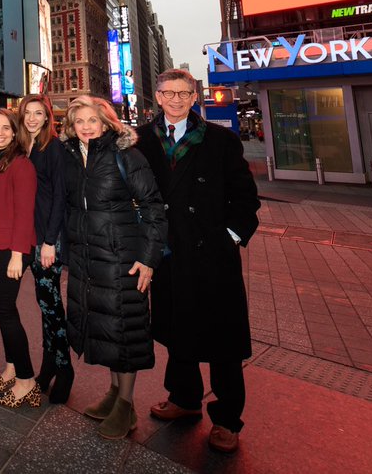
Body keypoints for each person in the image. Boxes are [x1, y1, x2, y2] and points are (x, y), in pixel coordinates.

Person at [135, 69, 260, 454]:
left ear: (194, 97)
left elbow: (245, 200)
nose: (175, 99)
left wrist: (230, 239)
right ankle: (185, 398)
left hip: (212, 256)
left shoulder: (220, 140)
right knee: (177, 331)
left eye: (183, 93)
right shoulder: (141, 140)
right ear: (157, 96)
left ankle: (227, 418)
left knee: (223, 339)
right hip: (169, 255)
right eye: (168, 92)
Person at [60, 96, 167, 440]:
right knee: (105, 327)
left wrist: (148, 259)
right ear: (71, 127)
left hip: (124, 258)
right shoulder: (71, 157)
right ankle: (111, 394)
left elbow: (153, 206)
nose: (87, 127)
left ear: (106, 122)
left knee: (125, 331)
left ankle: (126, 404)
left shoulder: (125, 155)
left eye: (93, 120)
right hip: (87, 259)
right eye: (80, 122)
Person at [0, 108, 40, 409]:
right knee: (0, 310)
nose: (0, 132)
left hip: (11, 248)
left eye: (6, 128)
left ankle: (27, 381)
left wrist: (17, 255)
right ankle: (12, 369)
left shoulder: (21, 164)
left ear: (16, 132)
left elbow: (25, 212)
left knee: (5, 310)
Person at [18, 94, 72, 402]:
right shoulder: (24, 147)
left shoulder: (53, 148)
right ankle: (49, 365)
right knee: (43, 305)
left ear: (47, 116)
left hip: (46, 241)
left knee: (52, 308)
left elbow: (59, 198)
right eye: (28, 112)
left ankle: (64, 371)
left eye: (39, 113)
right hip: (29, 237)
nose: (33, 118)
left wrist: (49, 242)